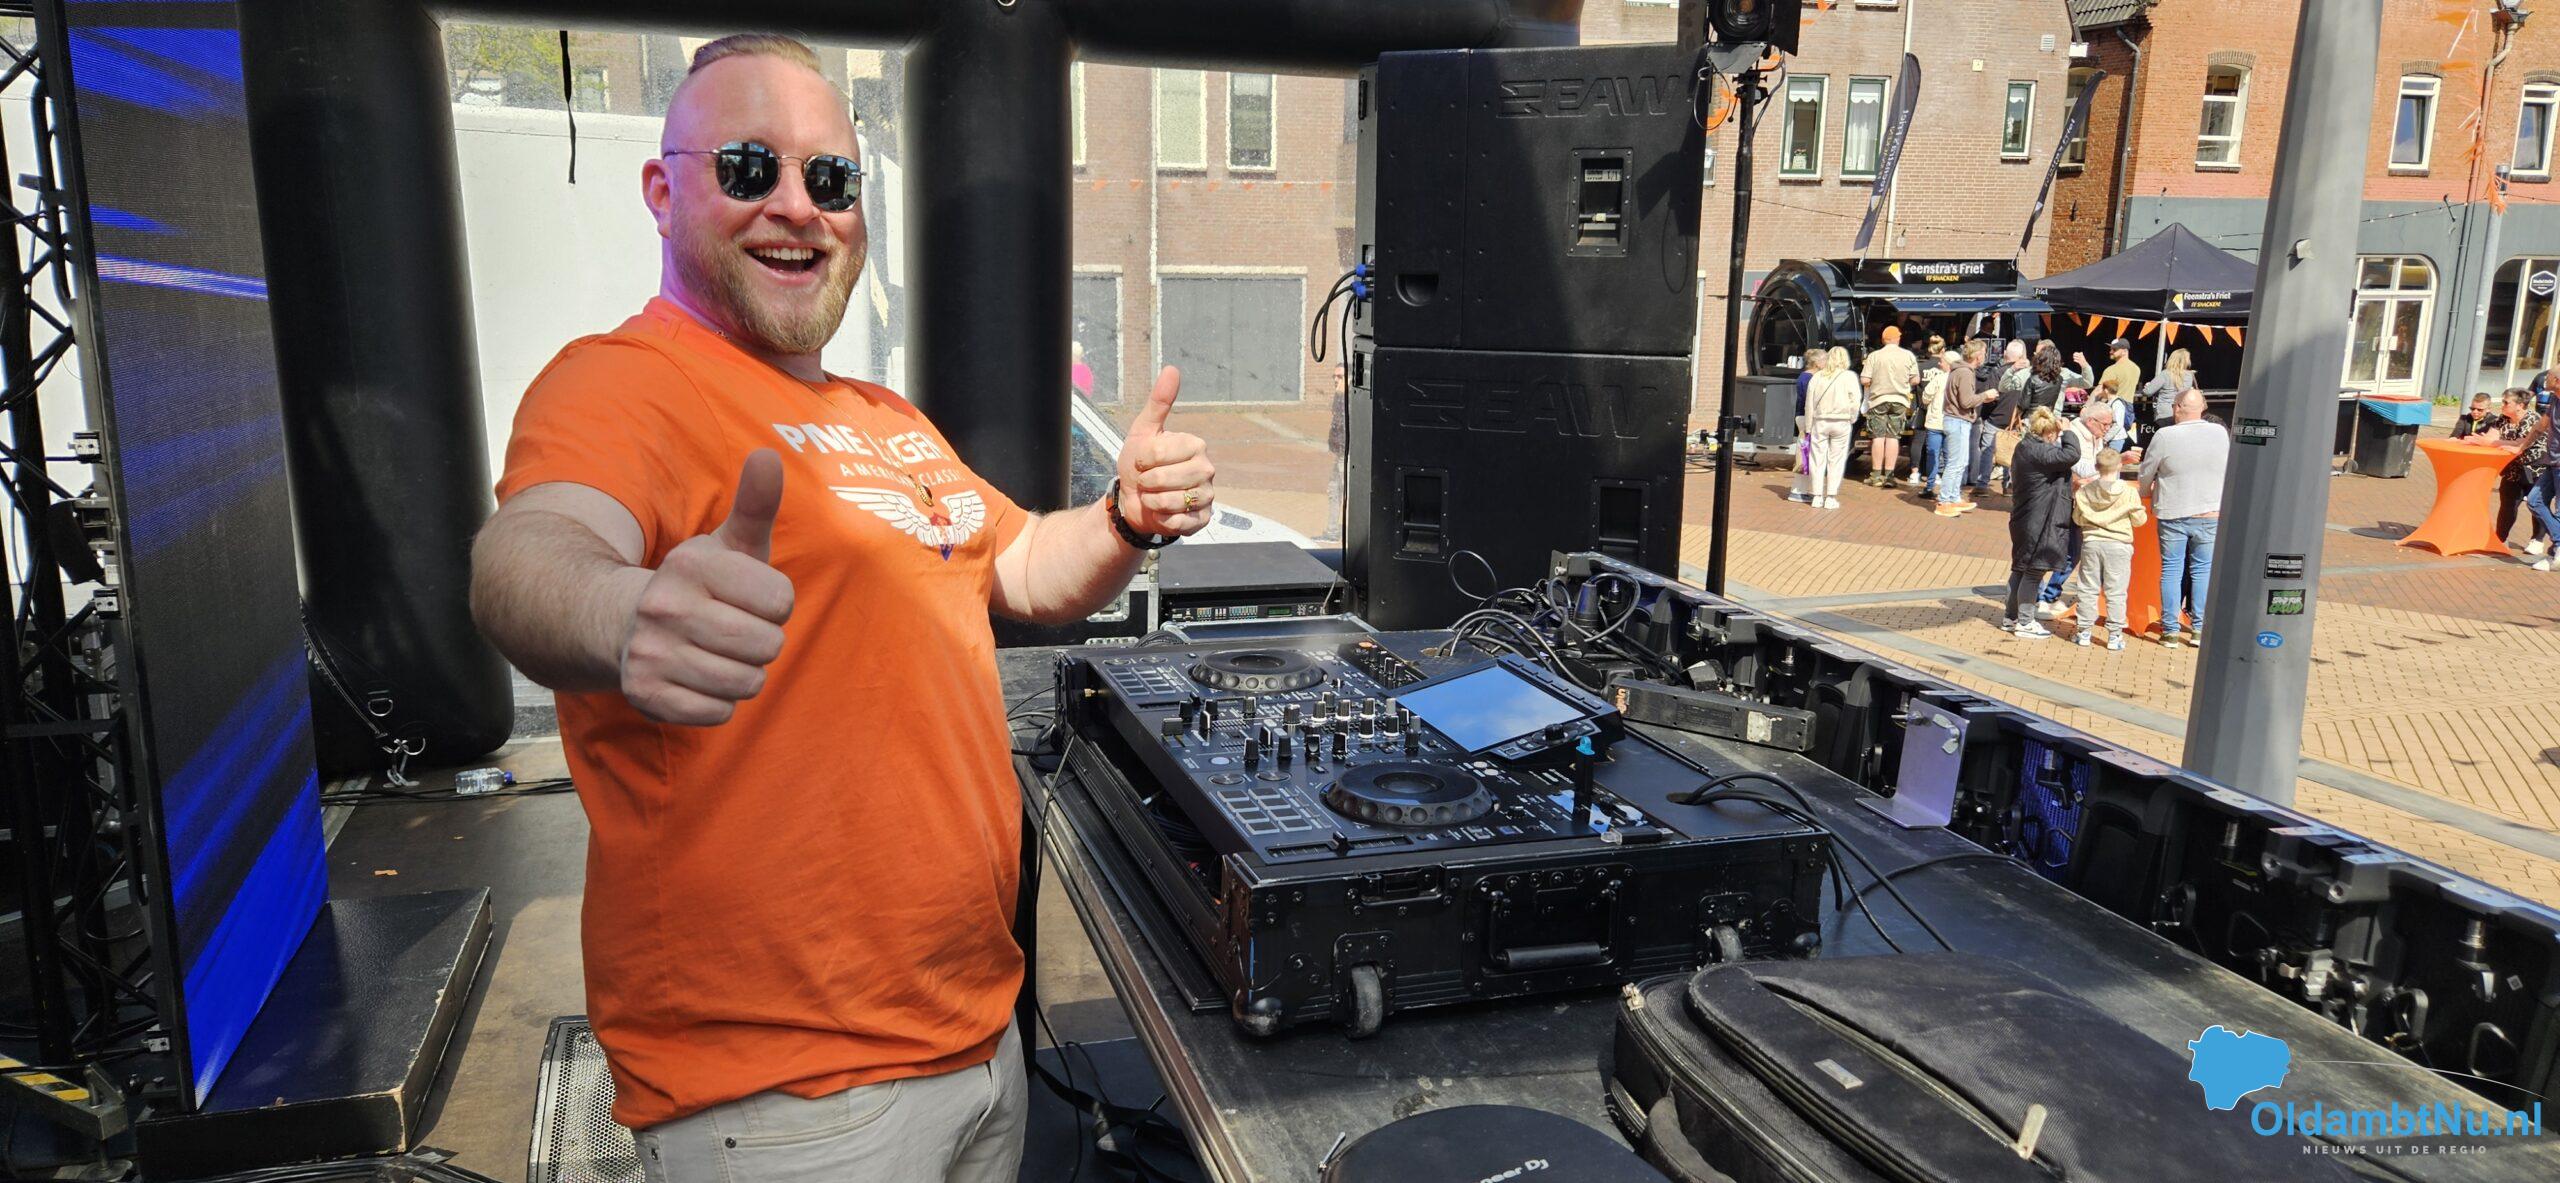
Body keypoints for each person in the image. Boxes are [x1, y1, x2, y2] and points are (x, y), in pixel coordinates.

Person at [468, 36, 1220, 1181]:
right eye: (747, 167)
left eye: (830, 178)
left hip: (973, 1032)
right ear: (663, 191)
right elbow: (528, 553)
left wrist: (1125, 517)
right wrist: (623, 612)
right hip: (782, 1094)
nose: (796, 207)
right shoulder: (618, 382)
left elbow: (1024, 564)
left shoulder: (886, 419)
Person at [2139, 389, 2228, 648]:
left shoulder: (2165, 435)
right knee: (2202, 570)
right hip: (2210, 511)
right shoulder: (2220, 433)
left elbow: (2147, 471)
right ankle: (2199, 627)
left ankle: (2170, 630)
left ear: (2178, 407)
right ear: (2202, 408)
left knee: (2172, 569)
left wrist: (2145, 493)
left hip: (2173, 510)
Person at [2003, 407, 2080, 637]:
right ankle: (2025, 623)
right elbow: (2071, 455)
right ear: (2050, 433)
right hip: (2039, 519)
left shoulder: (2024, 446)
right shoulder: (2040, 451)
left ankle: (2011, 618)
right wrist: (2068, 432)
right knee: (2033, 571)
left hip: (2025, 518)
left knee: (2020, 568)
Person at [2038, 400, 2117, 613]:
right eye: (2105, 424)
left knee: (2073, 551)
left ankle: (2049, 594)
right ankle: (2039, 596)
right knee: (2051, 548)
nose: (2108, 429)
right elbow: (2077, 465)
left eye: (2110, 424)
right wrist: (2114, 463)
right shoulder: (2070, 434)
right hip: (2061, 500)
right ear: (2091, 421)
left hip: (2081, 501)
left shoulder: (2096, 437)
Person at [2067, 447, 2147, 650]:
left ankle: (2084, 632)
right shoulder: (2129, 492)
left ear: (2096, 467)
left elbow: (2077, 519)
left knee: (2087, 588)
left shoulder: (2085, 491)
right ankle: (2114, 636)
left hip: (2092, 542)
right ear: (2120, 466)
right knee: (2116, 591)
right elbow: (2139, 520)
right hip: (2119, 544)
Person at [2463, 388, 2547, 552]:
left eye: (2506, 402)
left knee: (2536, 504)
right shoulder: (2503, 419)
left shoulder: (2532, 419)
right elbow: (2491, 437)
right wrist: (2481, 441)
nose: (2502, 405)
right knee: (2508, 503)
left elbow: (2519, 444)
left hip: (2536, 468)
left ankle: (2537, 540)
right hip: (2512, 468)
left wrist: (2491, 443)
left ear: (2520, 405)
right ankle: (2501, 539)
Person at [1805, 346, 1863, 510]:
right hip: (1841, 421)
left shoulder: (1817, 377)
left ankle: (1817, 495)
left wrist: (1808, 426)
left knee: (1817, 458)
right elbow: (1855, 400)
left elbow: (1809, 403)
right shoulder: (1849, 376)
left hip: (1820, 421)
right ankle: (1830, 496)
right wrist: (1852, 417)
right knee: (1836, 459)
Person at [1861, 325, 1919, 487]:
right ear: (1897, 339)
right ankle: (1889, 475)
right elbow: (1915, 379)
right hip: (1900, 400)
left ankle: (1876, 475)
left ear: (1883, 339)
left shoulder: (1874, 356)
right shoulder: (1908, 355)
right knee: (1893, 437)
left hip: (1878, 400)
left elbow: (1865, 379)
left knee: (1878, 437)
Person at [1935, 342, 1986, 516]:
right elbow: (1966, 401)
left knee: (1961, 462)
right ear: (1977, 356)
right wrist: (1984, 396)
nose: (1984, 356)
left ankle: (1954, 497)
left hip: (1958, 420)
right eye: (1983, 353)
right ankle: (1944, 501)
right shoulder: (1964, 372)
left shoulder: (1961, 370)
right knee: (1955, 463)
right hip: (1957, 421)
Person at [1788, 347, 1819, 504]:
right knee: (1805, 454)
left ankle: (1801, 489)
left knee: (1805, 452)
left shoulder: (1805, 377)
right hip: (1806, 418)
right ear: (1817, 363)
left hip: (1802, 416)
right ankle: (1798, 490)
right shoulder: (1809, 379)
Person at [1915, 350, 1949, 493]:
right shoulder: (1959, 378)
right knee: (1949, 456)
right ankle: (1949, 489)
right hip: (1952, 421)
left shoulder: (1939, 378)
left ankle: (1929, 486)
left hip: (1935, 421)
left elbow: (1926, 396)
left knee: (1933, 454)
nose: (1939, 364)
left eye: (1942, 362)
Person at [2143, 348, 2196, 439]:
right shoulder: (2189, 376)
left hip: (2165, 414)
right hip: (2181, 414)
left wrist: (2148, 386)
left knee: (2164, 440)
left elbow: (2148, 392)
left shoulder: (2165, 374)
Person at [2098, 337, 2142, 413]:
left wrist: (2089, 407)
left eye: (2114, 349)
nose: (2111, 351)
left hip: (2114, 407)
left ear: (2124, 351)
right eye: (2111, 349)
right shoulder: (2136, 368)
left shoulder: (2112, 369)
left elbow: (2099, 391)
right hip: (2129, 408)